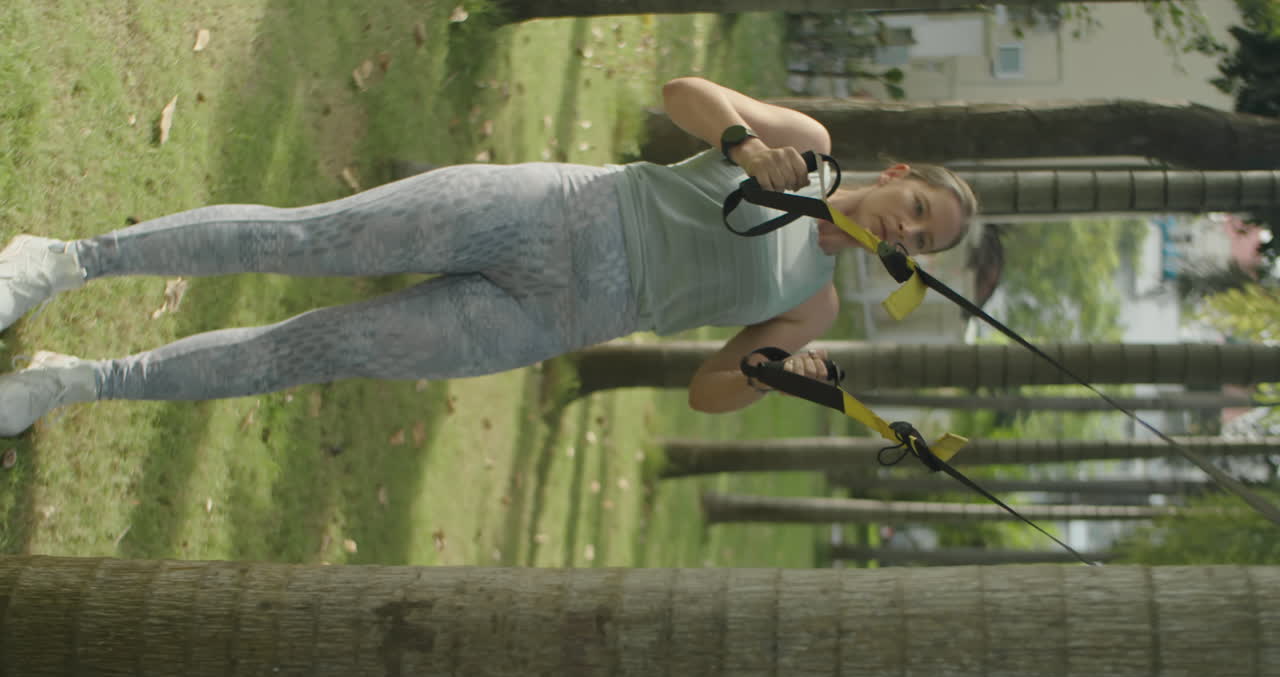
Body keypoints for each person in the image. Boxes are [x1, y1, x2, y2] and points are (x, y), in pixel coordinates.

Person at [0, 77, 977, 436]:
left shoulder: (813, 308)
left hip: (546, 319)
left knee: (311, 351)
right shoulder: (804, 144)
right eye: (916, 208)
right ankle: (58, 261)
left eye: (922, 241)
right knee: (306, 237)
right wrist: (740, 145)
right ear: (895, 174)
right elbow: (684, 93)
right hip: (553, 211)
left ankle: (78, 383)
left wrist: (777, 375)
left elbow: (709, 391)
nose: (907, 231)